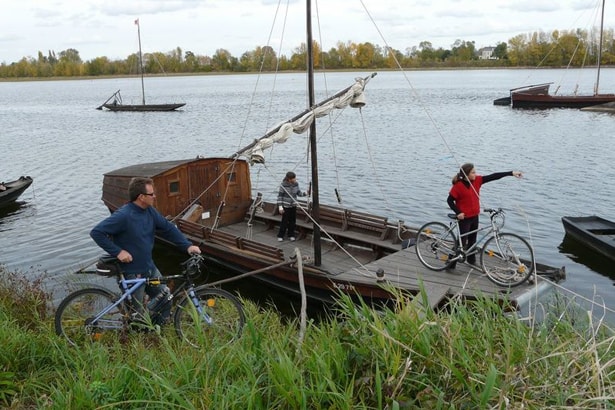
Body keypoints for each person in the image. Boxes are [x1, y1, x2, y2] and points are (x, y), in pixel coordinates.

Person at [90, 177, 201, 325]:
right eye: (152, 194)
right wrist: (118, 252)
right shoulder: (124, 215)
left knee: (165, 298)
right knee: (137, 314)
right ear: (141, 197)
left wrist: (187, 246)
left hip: (149, 267)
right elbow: (97, 232)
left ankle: (159, 331)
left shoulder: (150, 212)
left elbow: (168, 229)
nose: (155, 196)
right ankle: (138, 337)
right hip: (132, 272)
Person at [446, 163, 522, 267]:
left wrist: (511, 173)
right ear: (466, 174)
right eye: (473, 172)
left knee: (473, 240)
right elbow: (449, 201)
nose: (475, 174)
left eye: (475, 172)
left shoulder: (477, 180)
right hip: (464, 218)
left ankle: (471, 261)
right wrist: (458, 212)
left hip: (474, 216)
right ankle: (450, 262)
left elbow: (493, 176)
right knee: (462, 242)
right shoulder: (458, 186)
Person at [276, 171, 308, 242]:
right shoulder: (283, 185)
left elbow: (299, 193)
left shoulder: (296, 184)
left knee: (292, 221)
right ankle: (280, 235)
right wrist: (280, 206)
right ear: (289, 179)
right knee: (284, 221)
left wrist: (306, 193)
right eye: (293, 178)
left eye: (295, 178)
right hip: (286, 206)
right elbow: (280, 196)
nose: (295, 179)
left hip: (293, 205)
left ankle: (291, 235)